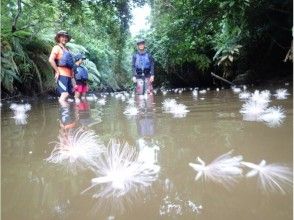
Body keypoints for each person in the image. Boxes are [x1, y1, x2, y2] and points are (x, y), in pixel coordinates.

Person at [49, 30, 75, 105]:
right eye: (62, 37)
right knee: (65, 94)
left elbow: (70, 65)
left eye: (66, 37)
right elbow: (51, 60)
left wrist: (72, 77)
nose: (65, 38)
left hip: (69, 76)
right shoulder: (57, 47)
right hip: (61, 75)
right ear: (59, 38)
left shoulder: (67, 50)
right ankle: (64, 114)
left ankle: (66, 115)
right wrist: (57, 71)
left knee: (68, 95)